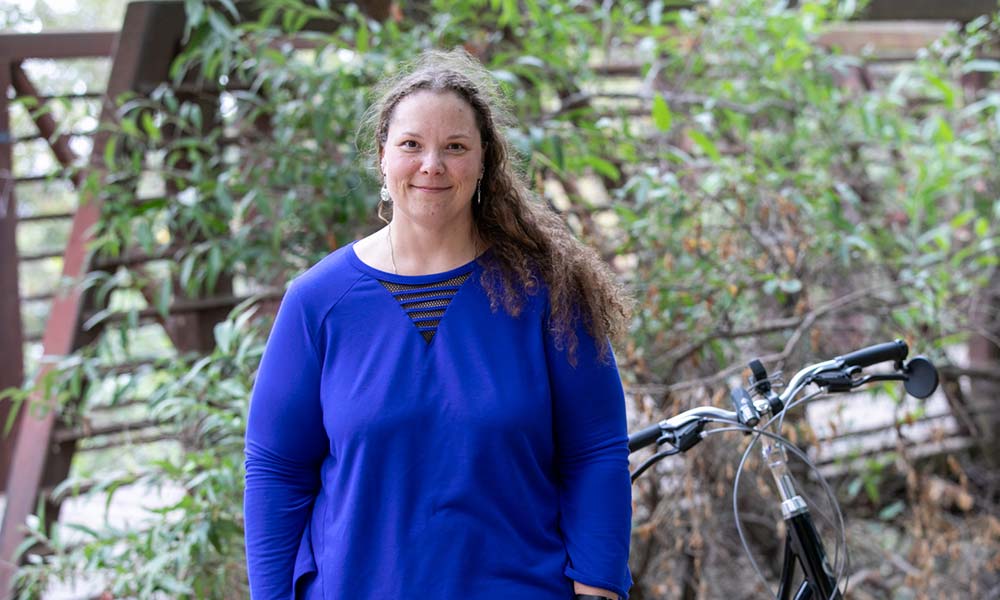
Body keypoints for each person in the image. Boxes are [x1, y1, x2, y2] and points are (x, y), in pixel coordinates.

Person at [244, 48, 633, 600]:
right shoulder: (319, 301)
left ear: (483, 163)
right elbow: (275, 470)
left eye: (455, 147)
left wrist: (598, 588)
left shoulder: (547, 291)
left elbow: (594, 450)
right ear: (382, 157)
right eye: (411, 145)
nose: (432, 165)